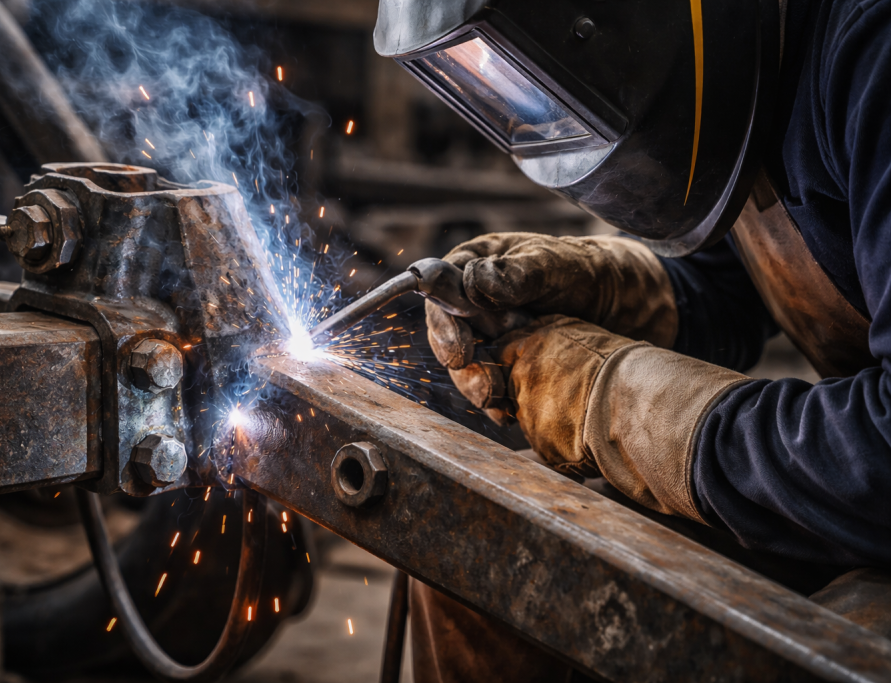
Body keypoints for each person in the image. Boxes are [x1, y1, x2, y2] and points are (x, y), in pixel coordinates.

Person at [374, 0, 891, 679]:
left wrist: (620, 407)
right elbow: (740, 287)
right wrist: (600, 284)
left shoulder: (869, 45)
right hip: (844, 491)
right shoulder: (756, 66)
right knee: (477, 547)